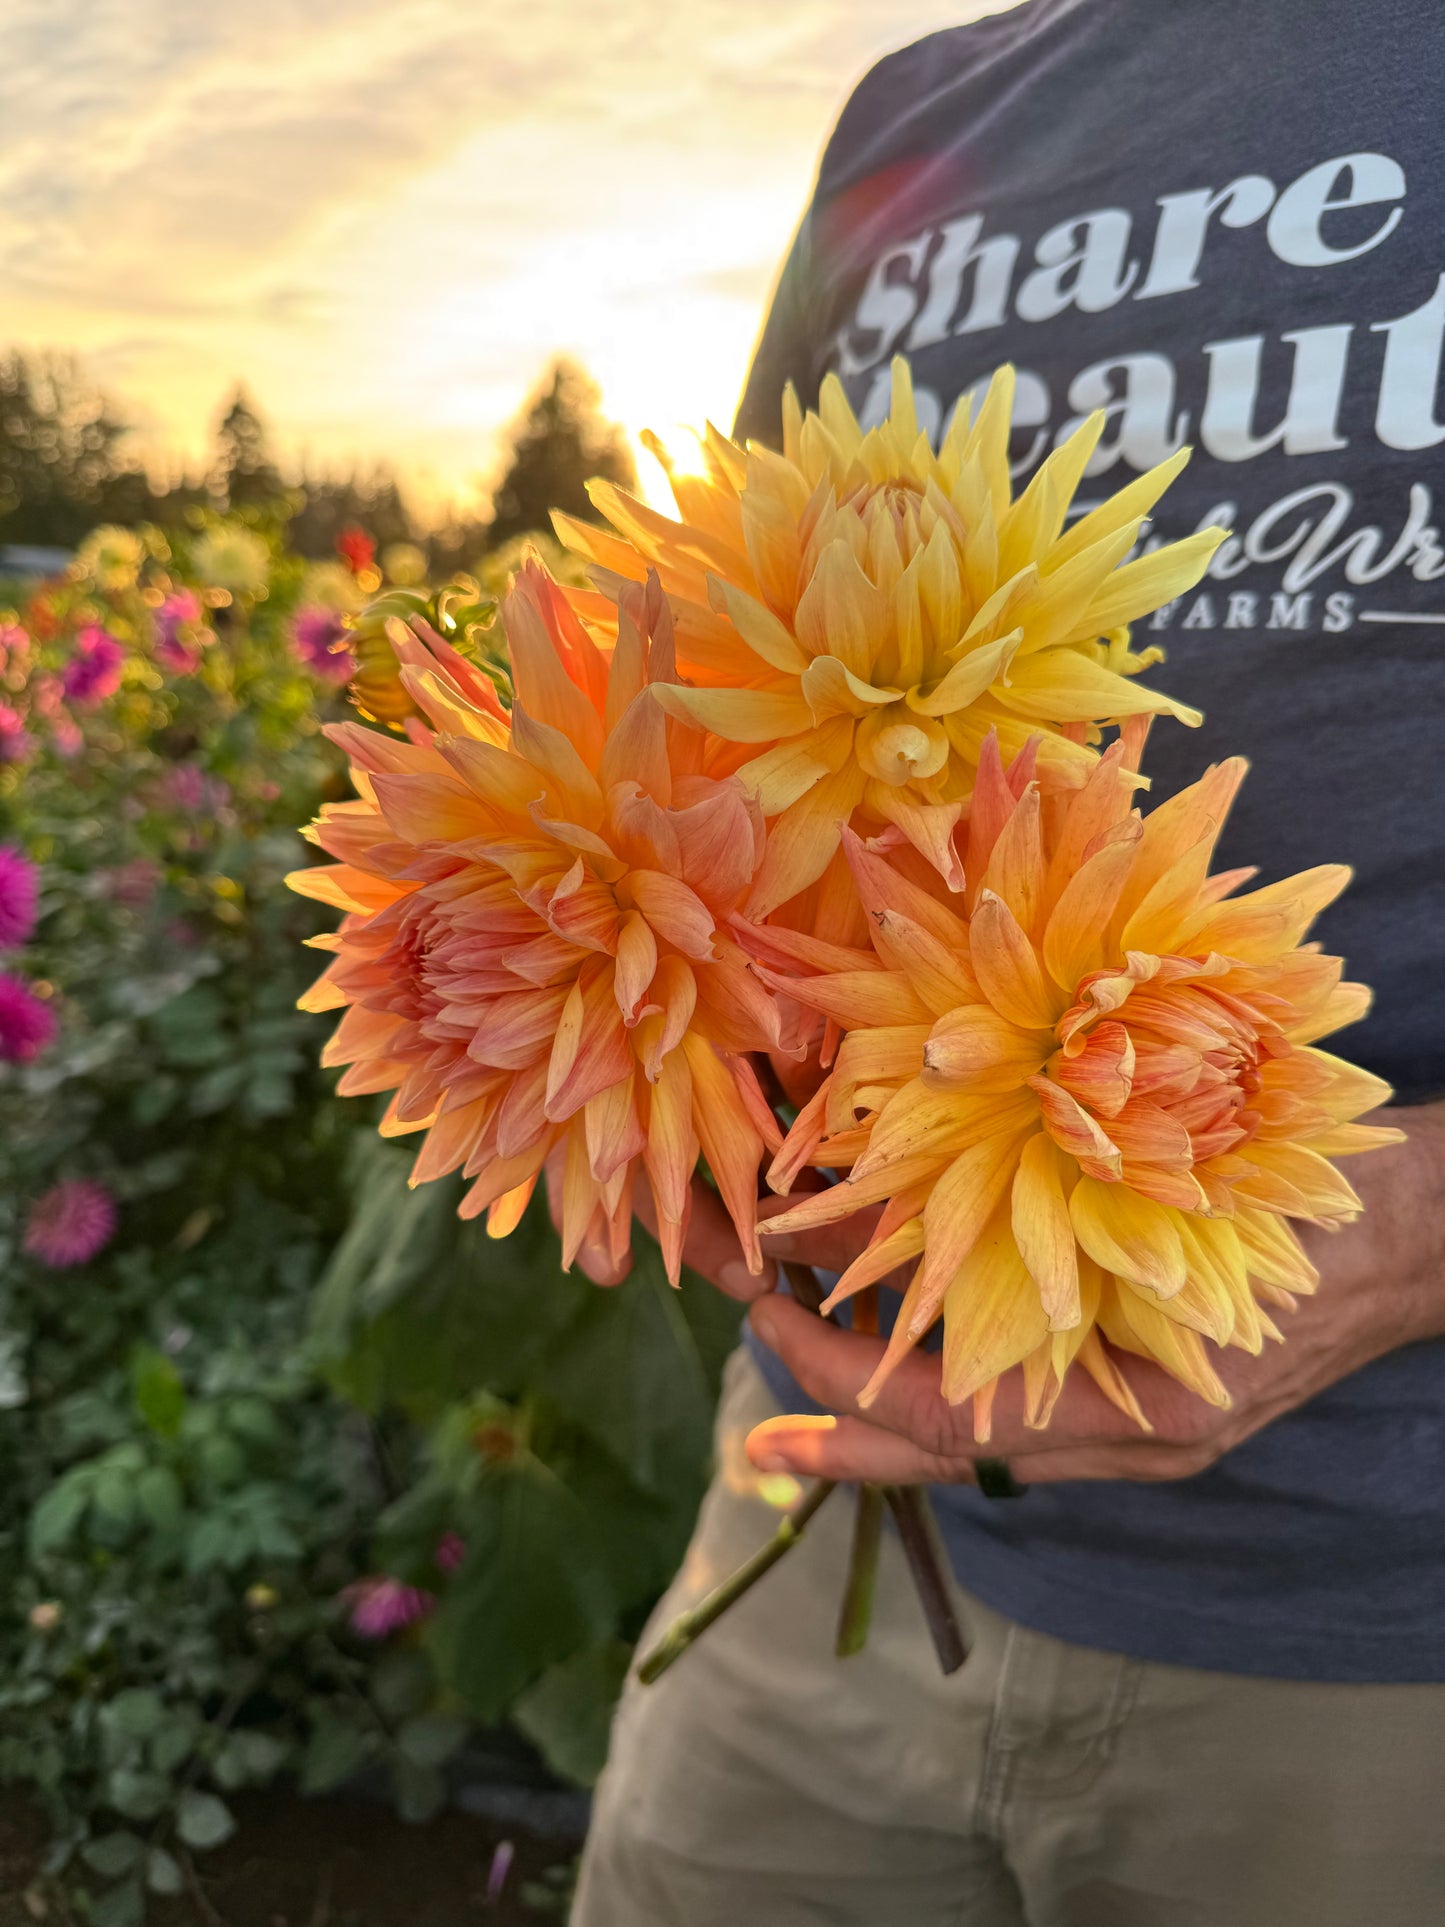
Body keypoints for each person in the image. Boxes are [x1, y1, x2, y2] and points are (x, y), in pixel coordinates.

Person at [568, 2, 1445, 1920]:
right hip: (812, 1513)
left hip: (1373, 1655)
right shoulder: (917, 106)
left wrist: (1409, 1227)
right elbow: (703, 655)